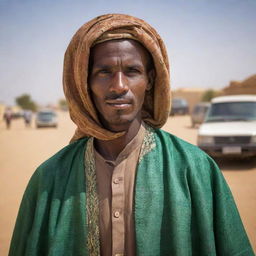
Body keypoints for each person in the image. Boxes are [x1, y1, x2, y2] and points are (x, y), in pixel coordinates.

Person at [9, 14, 254, 256]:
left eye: (132, 70)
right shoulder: (49, 179)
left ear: (149, 80)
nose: (119, 86)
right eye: (104, 72)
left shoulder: (195, 169)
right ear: (84, 83)